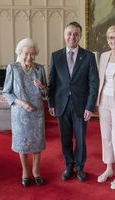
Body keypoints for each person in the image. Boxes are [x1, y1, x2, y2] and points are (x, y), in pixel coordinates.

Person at [48, 21, 99, 182]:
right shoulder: (56, 56)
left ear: (80, 36)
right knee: (65, 138)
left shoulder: (89, 56)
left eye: (76, 34)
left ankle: (80, 167)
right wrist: (51, 103)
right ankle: (69, 166)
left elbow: (93, 83)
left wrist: (90, 107)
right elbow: (52, 82)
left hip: (81, 106)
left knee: (81, 138)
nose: (72, 37)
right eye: (69, 33)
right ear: (64, 36)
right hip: (62, 105)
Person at [3, 38, 47, 187]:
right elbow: (6, 92)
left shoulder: (40, 69)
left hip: (37, 113)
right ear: (19, 53)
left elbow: (46, 94)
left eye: (33, 54)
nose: (29, 57)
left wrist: (41, 87)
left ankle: (36, 171)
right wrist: (22, 103)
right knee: (22, 143)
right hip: (20, 114)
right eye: (26, 53)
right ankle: (25, 171)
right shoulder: (12, 68)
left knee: (37, 144)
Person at [97, 25, 115, 190]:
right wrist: (96, 102)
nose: (112, 41)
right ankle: (108, 168)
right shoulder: (103, 56)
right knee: (106, 136)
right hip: (103, 101)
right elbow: (100, 80)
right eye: (110, 38)